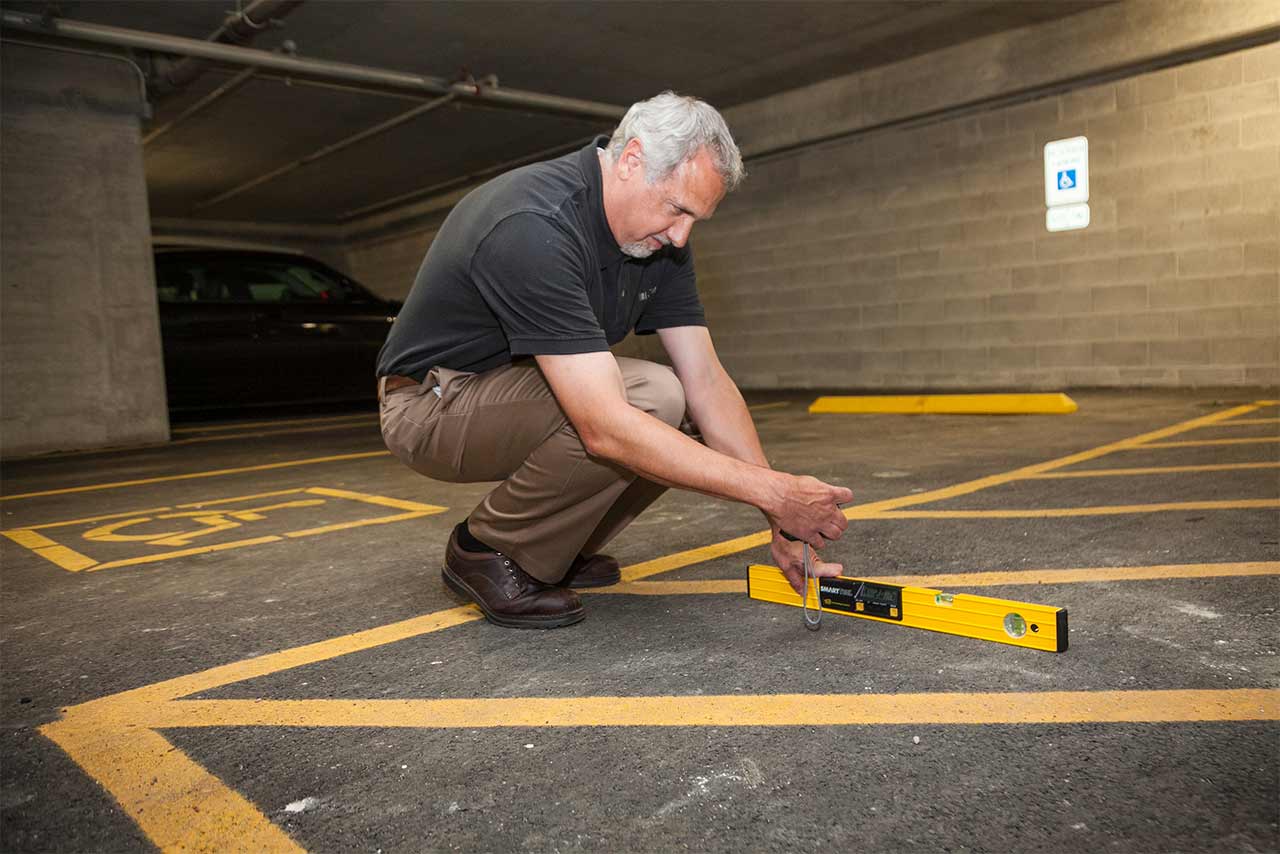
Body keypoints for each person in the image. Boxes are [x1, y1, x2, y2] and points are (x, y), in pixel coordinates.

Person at [376, 91, 852, 629]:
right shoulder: (535, 224)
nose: (681, 235)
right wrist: (775, 492)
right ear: (630, 161)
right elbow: (602, 426)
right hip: (430, 405)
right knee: (650, 399)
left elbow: (708, 381)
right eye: (677, 209)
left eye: (697, 218)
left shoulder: (659, 241)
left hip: (515, 390)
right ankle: (486, 548)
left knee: (678, 405)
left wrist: (780, 518)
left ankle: (558, 545)